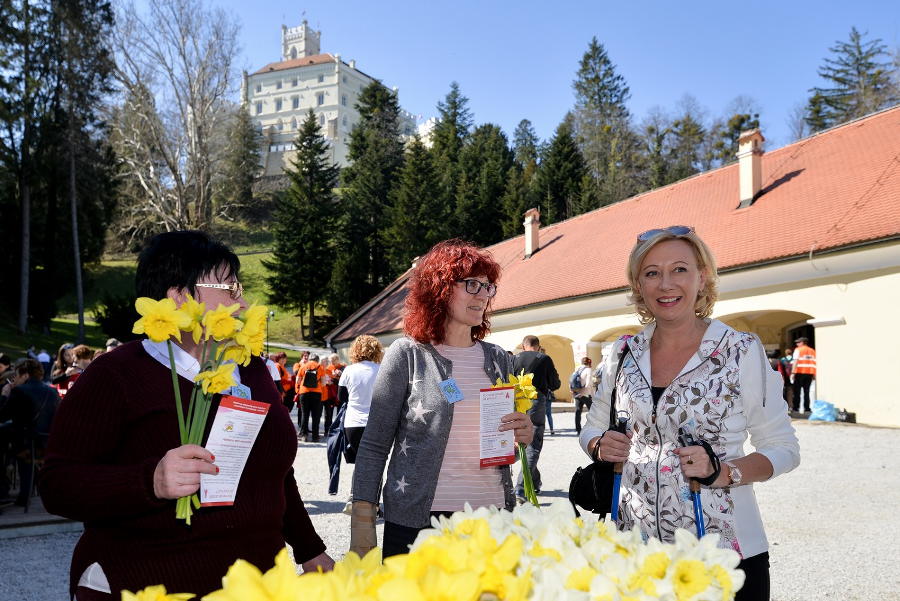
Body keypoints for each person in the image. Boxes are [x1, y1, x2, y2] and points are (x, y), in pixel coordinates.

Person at [39, 230, 332, 601]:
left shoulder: (250, 368)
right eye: (229, 289)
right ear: (178, 296)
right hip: (149, 581)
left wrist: (309, 549)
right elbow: (57, 485)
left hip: (256, 585)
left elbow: (274, 472)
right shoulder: (116, 375)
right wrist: (150, 481)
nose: (241, 304)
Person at [580, 225, 800, 601]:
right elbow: (592, 429)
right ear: (639, 286)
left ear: (703, 277)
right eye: (652, 273)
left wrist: (724, 472)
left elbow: (783, 448)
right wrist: (600, 446)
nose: (666, 284)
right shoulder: (621, 353)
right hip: (634, 550)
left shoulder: (740, 351)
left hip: (722, 551)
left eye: (679, 269)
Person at [350, 239, 533, 559]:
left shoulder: (498, 359)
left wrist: (521, 436)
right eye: (472, 284)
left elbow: (501, 448)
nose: (482, 294)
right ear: (440, 289)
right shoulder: (406, 355)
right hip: (419, 521)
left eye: (488, 287)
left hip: (490, 518)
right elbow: (375, 444)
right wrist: (362, 521)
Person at [326, 337, 383, 497]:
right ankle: (372, 501)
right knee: (375, 463)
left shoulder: (348, 371)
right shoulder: (381, 369)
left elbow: (342, 397)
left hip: (353, 422)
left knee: (360, 461)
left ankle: (356, 494)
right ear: (376, 350)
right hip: (375, 422)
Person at [1, 358, 59, 507]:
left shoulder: (19, 391)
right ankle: (24, 494)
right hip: (47, 444)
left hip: (24, 445)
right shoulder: (52, 392)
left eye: (17, 375)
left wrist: (4, 395)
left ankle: (3, 489)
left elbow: (3, 416)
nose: (15, 379)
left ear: (25, 374)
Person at [513, 334, 560, 502]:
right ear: (538, 346)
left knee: (523, 441)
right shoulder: (544, 358)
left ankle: (535, 481)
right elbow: (555, 384)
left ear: (523, 345)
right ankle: (520, 488)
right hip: (535, 402)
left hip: (516, 402)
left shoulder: (515, 358)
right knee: (533, 444)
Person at [296, 354, 326, 442]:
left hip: (304, 393)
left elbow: (298, 381)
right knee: (315, 415)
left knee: (305, 414)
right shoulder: (320, 367)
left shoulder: (303, 366)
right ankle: (315, 436)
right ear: (317, 360)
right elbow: (324, 383)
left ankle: (304, 435)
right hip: (316, 393)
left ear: (309, 359)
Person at [791, 337, 816, 413]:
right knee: (806, 391)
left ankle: (796, 408)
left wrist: (793, 373)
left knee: (797, 391)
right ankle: (807, 408)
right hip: (809, 373)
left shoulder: (798, 350)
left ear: (803, 342)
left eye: (798, 342)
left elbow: (795, 361)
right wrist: (814, 374)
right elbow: (814, 363)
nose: (797, 344)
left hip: (799, 372)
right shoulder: (812, 351)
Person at [322, 353, 345, 436]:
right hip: (330, 394)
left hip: (339, 393)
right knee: (328, 413)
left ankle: (339, 430)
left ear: (337, 360)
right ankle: (327, 430)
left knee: (340, 412)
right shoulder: (327, 368)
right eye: (331, 361)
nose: (332, 363)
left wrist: (337, 378)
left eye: (333, 361)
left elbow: (345, 380)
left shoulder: (343, 367)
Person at [571, 356, 594, 434]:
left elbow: (571, 380)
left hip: (577, 393)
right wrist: (583, 393)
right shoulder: (588, 370)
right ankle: (593, 428)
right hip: (586, 394)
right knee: (592, 412)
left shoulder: (578, 369)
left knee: (578, 412)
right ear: (589, 363)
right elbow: (588, 384)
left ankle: (578, 430)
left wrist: (575, 392)